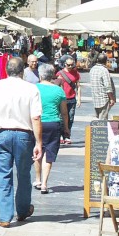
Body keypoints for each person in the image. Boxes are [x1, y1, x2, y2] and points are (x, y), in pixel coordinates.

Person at [0, 56, 43, 228]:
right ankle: (22, 210)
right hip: (24, 136)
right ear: (22, 71)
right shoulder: (31, 89)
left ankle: (5, 217)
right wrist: (39, 143)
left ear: (6, 70)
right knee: (23, 174)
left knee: (2, 175)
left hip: (1, 134)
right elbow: (35, 117)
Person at [34, 63, 69, 194]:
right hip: (53, 124)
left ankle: (37, 179)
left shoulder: (34, 89)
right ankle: (44, 184)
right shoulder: (59, 90)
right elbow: (64, 112)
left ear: (40, 75)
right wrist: (66, 128)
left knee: (37, 150)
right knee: (49, 154)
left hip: (37, 123)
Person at [54, 54, 81, 144]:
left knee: (70, 117)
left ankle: (67, 135)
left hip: (72, 98)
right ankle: (61, 135)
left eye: (71, 65)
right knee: (62, 117)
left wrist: (79, 98)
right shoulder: (60, 73)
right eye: (68, 65)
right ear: (64, 64)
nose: (70, 67)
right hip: (62, 99)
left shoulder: (75, 73)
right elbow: (57, 86)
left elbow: (78, 86)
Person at [89, 53, 116, 119]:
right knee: (102, 122)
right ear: (106, 61)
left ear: (97, 60)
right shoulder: (104, 70)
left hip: (96, 98)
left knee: (99, 119)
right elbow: (108, 86)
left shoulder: (92, 69)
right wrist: (112, 98)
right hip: (104, 99)